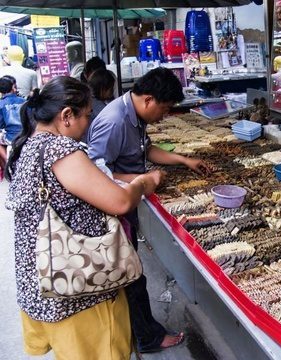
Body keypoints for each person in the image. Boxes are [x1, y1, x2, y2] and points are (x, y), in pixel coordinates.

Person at [5, 76, 163, 359]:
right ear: (67, 116)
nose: (89, 123)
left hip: (45, 280)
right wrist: (143, 182)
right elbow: (121, 201)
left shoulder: (26, 146)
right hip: (78, 287)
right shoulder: (59, 149)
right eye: (87, 115)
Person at [88, 67, 211, 353]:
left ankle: (141, 333)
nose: (164, 116)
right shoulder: (115, 121)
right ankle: (147, 338)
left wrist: (183, 160)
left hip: (126, 202)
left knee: (132, 271)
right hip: (114, 210)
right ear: (148, 100)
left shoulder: (134, 115)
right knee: (131, 274)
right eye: (165, 109)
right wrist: (144, 181)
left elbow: (146, 150)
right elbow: (95, 173)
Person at [0, 76, 25, 180]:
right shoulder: (24, 101)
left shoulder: (1, 104)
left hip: (10, 138)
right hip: (26, 135)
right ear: (13, 88)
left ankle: (6, 161)